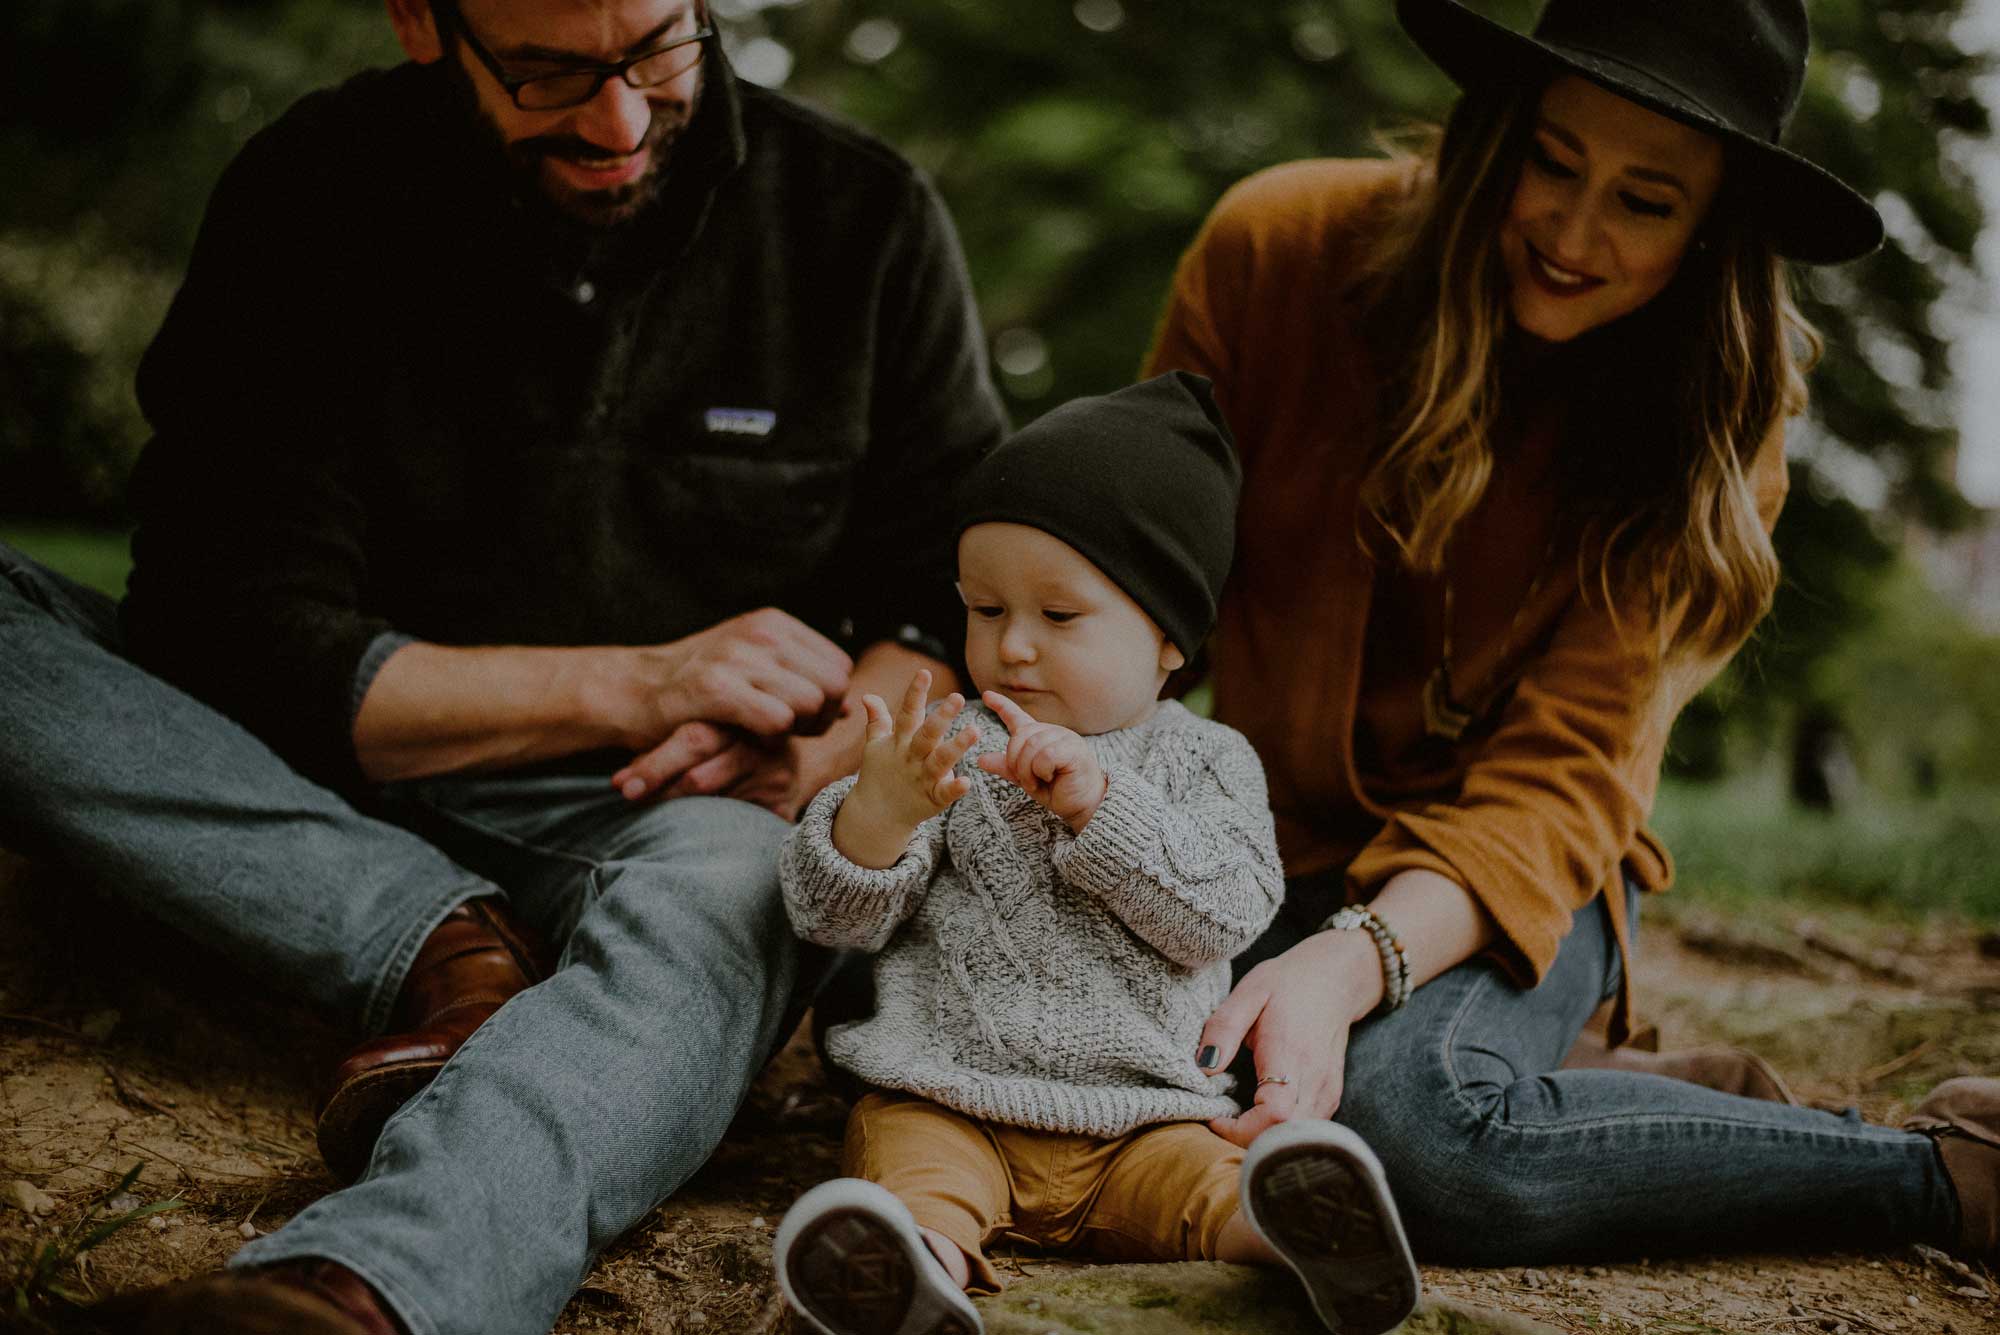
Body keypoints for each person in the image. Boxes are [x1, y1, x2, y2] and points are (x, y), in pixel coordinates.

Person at [0, 1, 1007, 1331]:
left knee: (740, 891)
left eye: (658, 46)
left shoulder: (862, 217)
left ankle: (359, 1291)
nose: (619, 119)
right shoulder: (311, 193)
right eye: (547, 70)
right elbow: (225, 621)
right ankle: (430, 934)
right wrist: (641, 682)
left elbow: (949, 593)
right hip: (286, 755)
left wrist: (826, 755)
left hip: (663, 810)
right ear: (426, 21)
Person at [1144, 0, 1998, 1268]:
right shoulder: (1276, 248)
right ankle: (1624, 1096)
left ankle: (1943, 1177)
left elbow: (1559, 785)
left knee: (1418, 1140)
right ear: (1499, 131)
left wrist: (1346, 964)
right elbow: (1140, 595)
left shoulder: (1716, 419)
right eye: (1553, 160)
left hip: (1508, 883)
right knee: (1056, 1051)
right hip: (1259, 847)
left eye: (1644, 201)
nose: (1572, 230)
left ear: (1709, 229)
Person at [769, 374, 1421, 1335]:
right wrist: (880, 812)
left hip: (1141, 1118)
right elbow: (831, 919)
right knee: (914, 1172)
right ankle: (911, 1274)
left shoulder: (1208, 757)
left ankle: (1298, 1239)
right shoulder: (949, 742)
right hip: (948, 1095)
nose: (1012, 647)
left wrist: (1101, 807)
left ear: (1168, 640)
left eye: (1058, 616)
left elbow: (1227, 910)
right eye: (984, 610)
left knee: (1207, 1188)